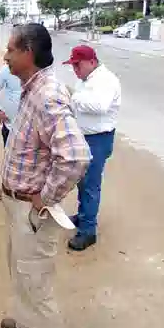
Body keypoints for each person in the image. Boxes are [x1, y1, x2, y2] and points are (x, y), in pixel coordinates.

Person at [0, 23, 91, 328]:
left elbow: (75, 157)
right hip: (19, 206)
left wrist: (45, 198)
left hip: (31, 211)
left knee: (36, 286)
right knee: (23, 276)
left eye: (11, 49)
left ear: (28, 52)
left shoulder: (47, 95)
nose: (5, 55)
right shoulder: (32, 89)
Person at [62, 44, 121, 251]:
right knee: (82, 181)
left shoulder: (106, 81)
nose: (75, 70)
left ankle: (88, 231)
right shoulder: (86, 80)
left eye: (78, 65)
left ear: (92, 62)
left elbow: (100, 106)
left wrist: (73, 98)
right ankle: (84, 215)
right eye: (73, 66)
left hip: (98, 139)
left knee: (90, 184)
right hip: (85, 136)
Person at [0, 62, 22, 200]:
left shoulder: (39, 70)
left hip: (31, 127)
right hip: (10, 125)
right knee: (10, 157)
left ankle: (23, 190)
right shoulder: (8, 69)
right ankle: (6, 186)